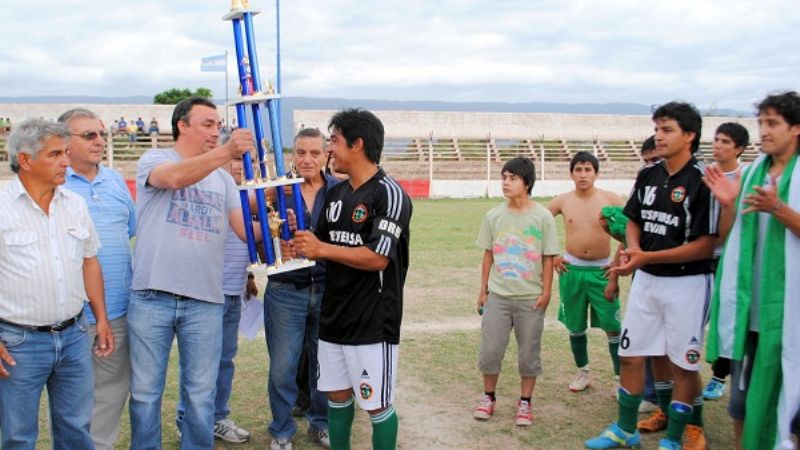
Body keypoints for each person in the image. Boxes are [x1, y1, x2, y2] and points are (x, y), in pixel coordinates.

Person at [586, 102, 717, 450]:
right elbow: (633, 219)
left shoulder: (703, 180)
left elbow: (706, 245)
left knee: (682, 364)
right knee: (633, 354)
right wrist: (632, 250)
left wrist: (645, 256)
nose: (658, 136)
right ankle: (625, 429)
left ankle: (677, 436)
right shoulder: (648, 175)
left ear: (690, 136)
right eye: (657, 129)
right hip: (646, 279)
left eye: (667, 129)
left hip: (688, 283)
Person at [127, 97, 257, 449]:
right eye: (208, 124)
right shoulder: (156, 160)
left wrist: (279, 230)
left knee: (201, 394)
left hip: (205, 300)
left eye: (219, 125)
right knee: (145, 392)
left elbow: (245, 229)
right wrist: (227, 152)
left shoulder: (224, 179)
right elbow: (173, 179)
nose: (216, 131)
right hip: (152, 295)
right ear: (182, 125)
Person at [291, 108, 412, 450]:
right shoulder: (336, 194)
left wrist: (322, 249)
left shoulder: (389, 194)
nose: (329, 149)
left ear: (357, 145)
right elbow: (320, 244)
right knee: (337, 398)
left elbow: (377, 257)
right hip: (333, 319)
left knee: (376, 405)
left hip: (373, 322)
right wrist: (296, 239)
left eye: (334, 141)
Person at [0, 118, 115, 448]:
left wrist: (102, 319)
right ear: (25, 160)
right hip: (18, 342)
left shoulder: (74, 205)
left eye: (65, 152)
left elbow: (89, 262)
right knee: (18, 435)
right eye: (55, 154)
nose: (66, 161)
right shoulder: (2, 208)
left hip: (74, 336)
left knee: (76, 428)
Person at [704, 91, 800, 450]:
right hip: (753, 313)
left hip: (792, 316)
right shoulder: (754, 174)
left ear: (796, 129)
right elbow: (730, 238)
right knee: (741, 405)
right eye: (761, 122)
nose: (764, 131)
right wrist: (728, 204)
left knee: (791, 407)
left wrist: (779, 208)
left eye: (772, 123)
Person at [59, 108, 137, 450]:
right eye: (88, 135)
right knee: (70, 399)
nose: (99, 141)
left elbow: (130, 229)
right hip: (68, 314)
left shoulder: (115, 180)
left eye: (100, 134)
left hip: (117, 311)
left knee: (110, 392)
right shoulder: (55, 184)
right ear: (64, 142)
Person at [264, 128, 339, 450]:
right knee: (283, 367)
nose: (308, 159)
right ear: (293, 154)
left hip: (327, 289)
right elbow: (257, 235)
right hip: (285, 290)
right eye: (301, 152)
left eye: (315, 153)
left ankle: (319, 423)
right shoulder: (275, 190)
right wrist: (275, 242)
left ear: (326, 155)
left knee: (324, 366)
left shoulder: (340, 191)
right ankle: (282, 431)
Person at [473, 156, 559, 427]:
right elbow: (488, 255)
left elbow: (548, 257)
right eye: (504, 177)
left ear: (528, 183)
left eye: (513, 178)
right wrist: (483, 290)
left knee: (528, 354)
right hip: (498, 296)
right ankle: (488, 397)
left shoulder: (543, 216)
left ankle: (525, 403)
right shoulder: (494, 215)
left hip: (530, 298)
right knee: (490, 351)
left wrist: (546, 292)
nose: (506, 183)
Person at [175, 151, 253, 444]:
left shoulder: (248, 196)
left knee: (225, 360)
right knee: (196, 364)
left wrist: (248, 276)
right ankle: (187, 420)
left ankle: (218, 417)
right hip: (205, 294)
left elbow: (244, 243)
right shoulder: (210, 192)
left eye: (249, 161)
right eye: (235, 158)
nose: (241, 166)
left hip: (232, 293)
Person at [548, 151, 625, 393]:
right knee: (575, 326)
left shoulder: (611, 199)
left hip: (602, 272)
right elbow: (537, 224)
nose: (583, 175)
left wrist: (615, 266)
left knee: (612, 327)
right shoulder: (562, 200)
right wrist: (552, 256)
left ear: (596, 173)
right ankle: (583, 373)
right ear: (571, 173)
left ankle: (619, 378)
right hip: (572, 270)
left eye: (587, 169)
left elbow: (631, 231)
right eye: (578, 170)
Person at [702, 122, 749, 402]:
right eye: (716, 139)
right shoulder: (704, 174)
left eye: (725, 142)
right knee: (699, 316)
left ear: (739, 148)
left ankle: (719, 376)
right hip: (702, 254)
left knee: (727, 318)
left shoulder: (746, 178)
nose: (717, 145)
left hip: (731, 258)